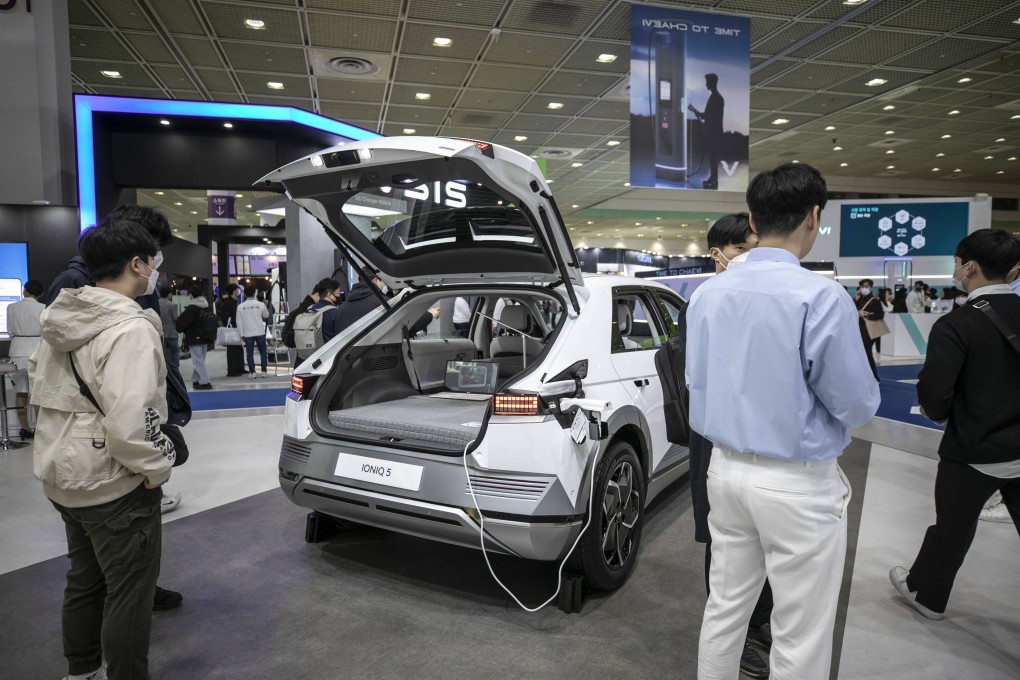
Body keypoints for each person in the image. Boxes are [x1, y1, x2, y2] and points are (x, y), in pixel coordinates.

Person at [687, 162, 880, 680]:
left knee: (725, 608)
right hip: (796, 482)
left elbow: (697, 382)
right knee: (801, 630)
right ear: (813, 217)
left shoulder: (706, 293)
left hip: (724, 472)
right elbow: (857, 406)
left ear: (753, 218)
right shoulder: (819, 296)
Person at [30, 219, 176, 680]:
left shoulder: (62, 319)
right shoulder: (130, 329)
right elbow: (133, 420)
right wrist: (156, 469)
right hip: (112, 479)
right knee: (131, 592)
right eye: (152, 261)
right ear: (137, 264)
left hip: (62, 471)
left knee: (84, 580)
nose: (154, 269)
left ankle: (81, 670)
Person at [890, 230, 1020, 620]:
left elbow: (934, 396)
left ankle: (927, 596)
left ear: (970, 267)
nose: (955, 271)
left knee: (953, 529)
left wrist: (946, 413)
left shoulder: (958, 324)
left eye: (956, 263)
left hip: (972, 451)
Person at [690, 213, 770, 678]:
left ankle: (758, 625)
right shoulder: (704, 301)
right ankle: (738, 638)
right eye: (742, 249)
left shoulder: (774, 297)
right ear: (717, 252)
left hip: (763, 441)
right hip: (714, 436)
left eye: (754, 248)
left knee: (764, 539)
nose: (748, 259)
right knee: (723, 542)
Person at [331, 274, 438, 340]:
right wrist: (430, 314)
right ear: (375, 281)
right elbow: (407, 327)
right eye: (384, 281)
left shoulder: (341, 308)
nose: (386, 285)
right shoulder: (385, 303)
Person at [7, 279, 46, 440]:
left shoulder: (11, 307)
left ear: (25, 291)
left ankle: (25, 428)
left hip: (17, 350)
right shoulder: (43, 308)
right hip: (36, 349)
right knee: (37, 392)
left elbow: (10, 331)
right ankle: (40, 429)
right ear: (41, 294)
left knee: (21, 391)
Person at [689, 73, 724, 190]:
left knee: (712, 156)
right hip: (714, 132)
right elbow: (709, 116)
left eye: (707, 82)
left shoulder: (716, 98)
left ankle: (714, 179)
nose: (706, 84)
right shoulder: (715, 97)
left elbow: (710, 116)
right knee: (712, 156)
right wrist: (698, 113)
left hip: (714, 133)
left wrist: (696, 112)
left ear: (712, 83)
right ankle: (713, 179)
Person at [176, 284, 215, 390]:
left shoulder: (192, 308)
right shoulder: (206, 306)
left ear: (192, 294)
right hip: (205, 337)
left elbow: (181, 323)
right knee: (200, 360)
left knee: (198, 361)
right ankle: (195, 380)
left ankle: (206, 382)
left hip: (195, 337)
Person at [282, 282, 322, 367]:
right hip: (310, 359)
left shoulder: (300, 310)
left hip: (301, 358)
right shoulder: (310, 311)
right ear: (318, 295)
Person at [237, 285, 270, 378]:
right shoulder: (261, 304)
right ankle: (264, 372)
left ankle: (253, 372)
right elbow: (266, 315)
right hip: (260, 331)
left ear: (245, 294)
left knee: (249, 353)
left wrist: (241, 334)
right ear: (254, 293)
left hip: (247, 333)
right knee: (263, 352)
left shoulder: (240, 306)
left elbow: (238, 322)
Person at [854, 278, 884, 381]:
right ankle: (867, 377)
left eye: (866, 286)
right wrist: (856, 299)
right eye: (862, 286)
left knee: (867, 353)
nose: (864, 289)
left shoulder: (874, 300)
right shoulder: (860, 300)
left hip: (869, 331)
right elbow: (853, 311)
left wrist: (865, 315)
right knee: (863, 354)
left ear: (871, 287)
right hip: (860, 330)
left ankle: (875, 378)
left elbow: (880, 315)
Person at [217, 283, 244, 377]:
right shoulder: (228, 302)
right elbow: (225, 317)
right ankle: (232, 370)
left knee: (238, 349)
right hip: (232, 328)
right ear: (233, 291)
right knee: (233, 350)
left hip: (236, 327)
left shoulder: (233, 301)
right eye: (237, 289)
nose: (238, 291)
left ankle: (240, 368)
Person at [158, 286, 180, 369]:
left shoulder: (156, 303)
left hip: (160, 331)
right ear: (169, 294)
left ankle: (163, 369)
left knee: (161, 352)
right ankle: (175, 369)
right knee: (175, 352)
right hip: (171, 333)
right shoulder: (172, 305)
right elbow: (176, 318)